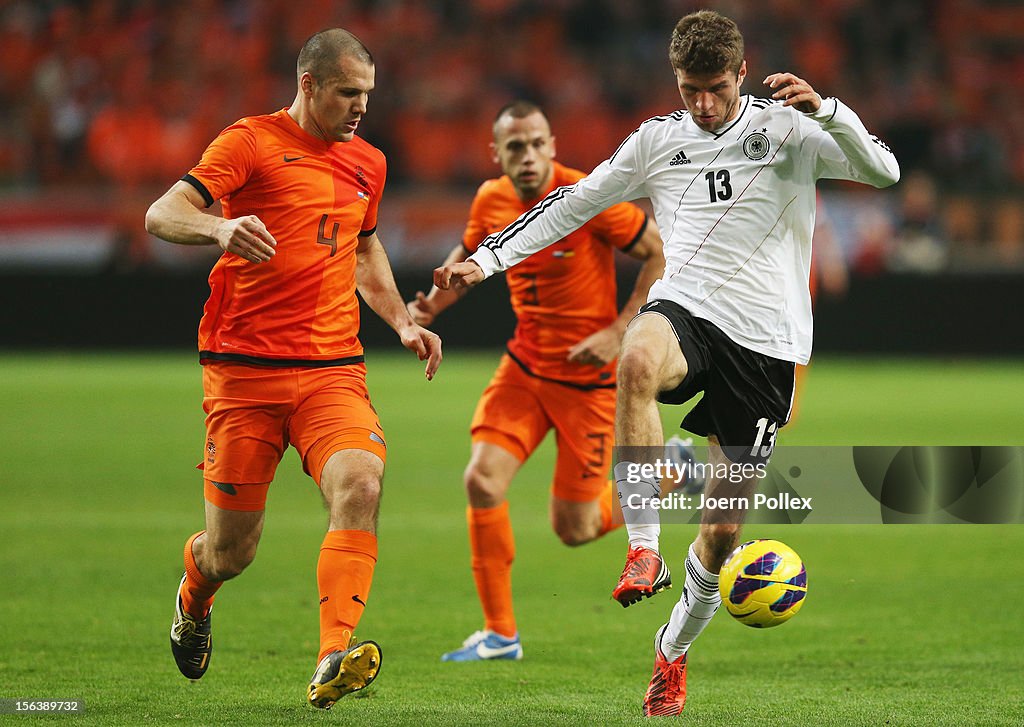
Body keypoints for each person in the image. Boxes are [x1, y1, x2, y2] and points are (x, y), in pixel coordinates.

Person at [434, 10, 898, 716]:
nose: (703, 105)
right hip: (686, 309)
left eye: (715, 88)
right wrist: (486, 259)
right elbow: (574, 201)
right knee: (637, 361)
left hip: (766, 345)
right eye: (689, 89)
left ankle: (671, 652)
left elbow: (884, 171)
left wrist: (831, 112)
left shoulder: (789, 130)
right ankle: (644, 546)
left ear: (742, 74)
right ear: (674, 82)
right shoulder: (658, 141)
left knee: (720, 533)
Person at [144, 28, 442, 710]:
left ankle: (333, 654)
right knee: (231, 553)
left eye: (367, 93)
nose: (361, 107)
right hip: (243, 376)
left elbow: (364, 251)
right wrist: (219, 229)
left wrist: (400, 319)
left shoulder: (369, 161)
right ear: (308, 86)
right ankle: (195, 596)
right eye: (348, 93)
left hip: (332, 371)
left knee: (361, 485)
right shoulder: (249, 142)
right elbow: (162, 212)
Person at [407, 101, 665, 662]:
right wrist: (434, 303)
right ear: (497, 153)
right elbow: (472, 255)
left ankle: (671, 475)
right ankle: (501, 635)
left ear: (553, 146)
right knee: (481, 481)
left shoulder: (588, 197)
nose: (527, 156)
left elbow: (658, 253)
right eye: (515, 147)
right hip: (524, 371)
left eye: (537, 144)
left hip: (590, 386)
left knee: (572, 528)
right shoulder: (490, 198)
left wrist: (622, 329)